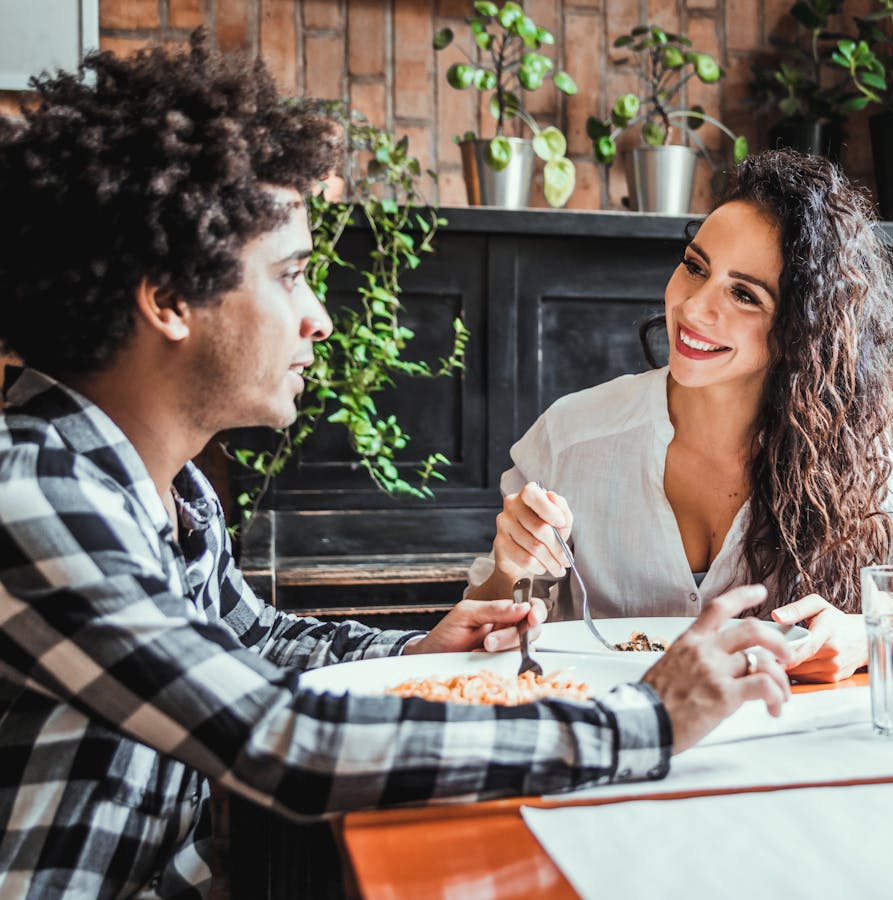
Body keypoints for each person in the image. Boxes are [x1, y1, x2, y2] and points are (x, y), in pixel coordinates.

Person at [0, 35, 791, 898]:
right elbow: (279, 739)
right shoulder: (31, 493)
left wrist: (420, 645)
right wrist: (644, 720)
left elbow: (256, 641)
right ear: (167, 300)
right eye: (293, 276)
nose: (320, 320)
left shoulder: (164, 488)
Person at [463, 149, 893, 682]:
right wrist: (511, 569)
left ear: (799, 330)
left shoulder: (847, 455)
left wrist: (866, 635)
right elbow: (478, 628)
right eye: (695, 267)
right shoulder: (571, 435)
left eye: (743, 294)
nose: (693, 308)